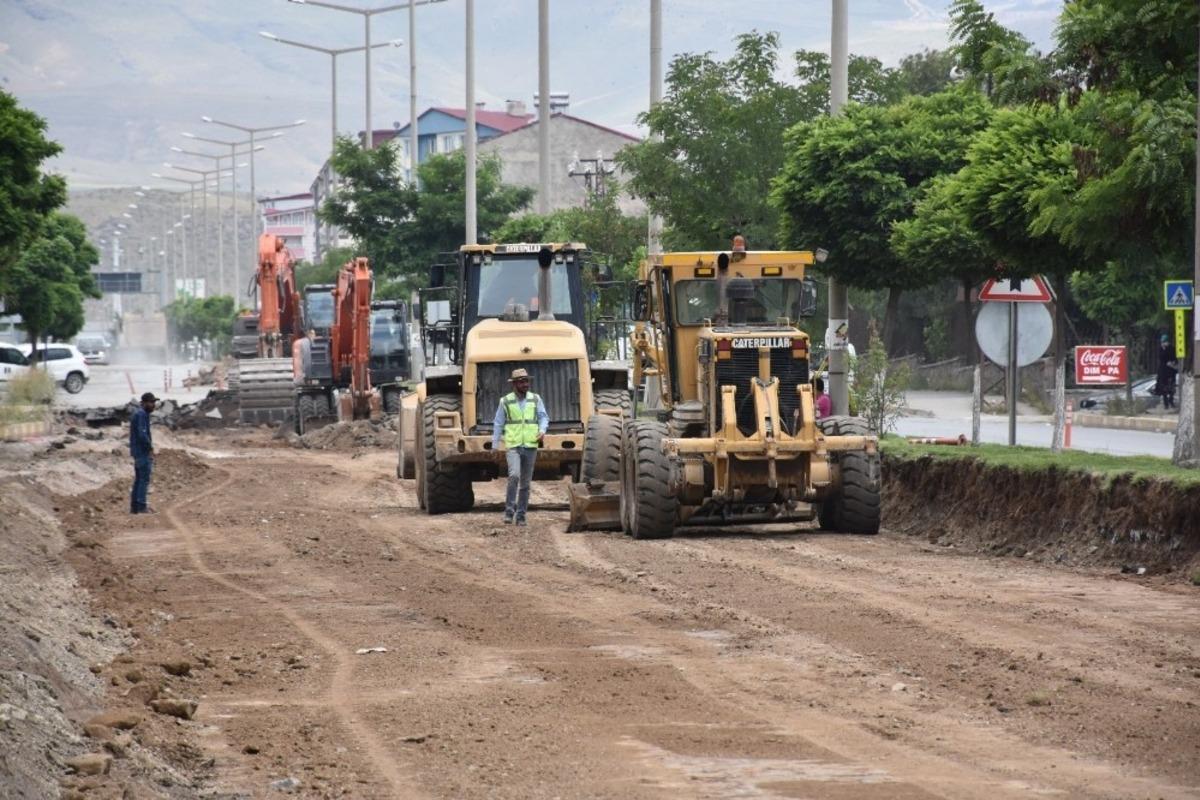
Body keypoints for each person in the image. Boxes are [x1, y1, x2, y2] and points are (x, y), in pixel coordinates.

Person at [492, 368, 549, 526]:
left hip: (530, 445)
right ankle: (509, 512)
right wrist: (495, 445)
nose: (526, 384)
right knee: (514, 476)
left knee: (525, 484)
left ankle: (521, 516)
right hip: (513, 445)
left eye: (527, 381)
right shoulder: (505, 401)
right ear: (514, 384)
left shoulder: (535, 399)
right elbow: (498, 423)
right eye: (522, 382)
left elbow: (543, 417)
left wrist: (542, 430)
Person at [129, 392, 157, 514]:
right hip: (142, 451)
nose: (153, 405)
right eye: (151, 402)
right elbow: (142, 434)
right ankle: (141, 506)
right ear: (144, 403)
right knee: (143, 479)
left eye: (154, 402)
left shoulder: (140, 414)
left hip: (138, 451)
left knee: (139, 478)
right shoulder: (141, 415)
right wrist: (149, 448)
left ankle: (135, 507)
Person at [1155, 334, 1179, 410]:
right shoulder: (1161, 349)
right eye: (1162, 342)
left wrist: (1172, 362)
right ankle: (1166, 403)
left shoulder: (1172, 348)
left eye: (1164, 342)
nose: (1163, 343)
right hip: (1163, 370)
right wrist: (1164, 349)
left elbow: (1175, 357)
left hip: (1171, 370)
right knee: (1163, 387)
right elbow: (1161, 357)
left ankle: (1171, 400)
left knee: (1171, 386)